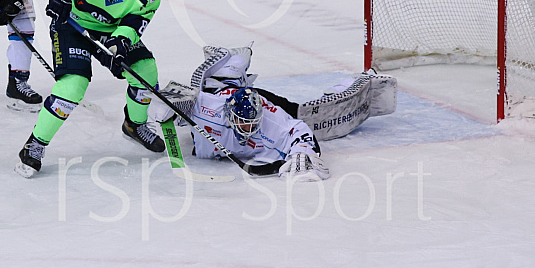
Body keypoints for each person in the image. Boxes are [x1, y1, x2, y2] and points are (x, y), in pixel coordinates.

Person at [14, 0, 167, 178]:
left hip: (110, 31)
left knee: (145, 70)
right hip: (71, 23)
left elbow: (132, 25)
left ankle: (134, 125)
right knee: (73, 86)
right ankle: (36, 144)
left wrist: (119, 45)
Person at [148, 45, 397, 180]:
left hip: (257, 101)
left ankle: (356, 82)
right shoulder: (208, 107)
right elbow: (165, 96)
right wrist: (167, 108)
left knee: (300, 114)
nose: (247, 130)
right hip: (225, 99)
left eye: (251, 125)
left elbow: (298, 130)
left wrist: (303, 151)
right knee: (212, 91)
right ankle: (226, 71)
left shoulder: (269, 119)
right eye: (243, 124)